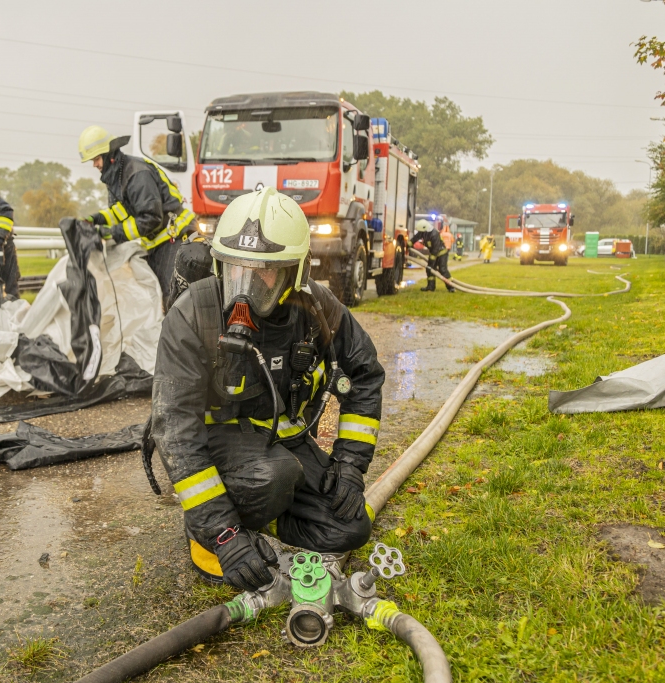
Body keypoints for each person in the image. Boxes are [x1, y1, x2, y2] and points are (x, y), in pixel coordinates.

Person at [149, 187, 385, 591]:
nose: (246, 286)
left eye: (263, 272)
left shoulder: (317, 308)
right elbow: (175, 432)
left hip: (284, 443)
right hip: (221, 442)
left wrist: (350, 465)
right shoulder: (193, 314)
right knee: (272, 475)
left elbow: (364, 372)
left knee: (351, 526)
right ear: (220, 265)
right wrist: (224, 535)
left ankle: (268, 521)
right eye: (236, 269)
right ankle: (209, 532)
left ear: (296, 272)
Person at [78, 125, 201, 312]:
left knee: (173, 299)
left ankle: (179, 338)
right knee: (158, 298)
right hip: (159, 242)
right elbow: (120, 212)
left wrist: (111, 233)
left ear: (109, 155)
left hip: (175, 238)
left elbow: (150, 218)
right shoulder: (117, 176)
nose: (95, 164)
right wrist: (96, 219)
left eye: (96, 159)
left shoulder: (137, 173)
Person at [412, 218, 455, 292]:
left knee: (442, 270)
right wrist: (408, 244)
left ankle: (451, 287)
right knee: (429, 270)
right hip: (433, 253)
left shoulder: (434, 234)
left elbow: (435, 250)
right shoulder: (423, 232)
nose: (419, 232)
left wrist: (431, 263)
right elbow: (415, 238)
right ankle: (430, 287)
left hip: (441, 254)